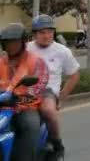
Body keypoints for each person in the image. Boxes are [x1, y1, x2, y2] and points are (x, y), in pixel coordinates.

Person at [27, 14, 80, 156]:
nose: (46, 36)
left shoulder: (62, 51)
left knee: (49, 111)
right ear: (34, 34)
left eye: (50, 32)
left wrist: (61, 99)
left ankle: (56, 142)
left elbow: (74, 75)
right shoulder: (25, 49)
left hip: (47, 91)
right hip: (24, 91)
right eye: (42, 32)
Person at [0, 23, 49, 161]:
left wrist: (22, 98)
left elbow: (39, 86)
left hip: (24, 107)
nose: (11, 46)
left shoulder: (36, 61)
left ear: (23, 42)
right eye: (7, 42)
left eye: (14, 42)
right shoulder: (1, 62)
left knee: (30, 124)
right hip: (2, 106)